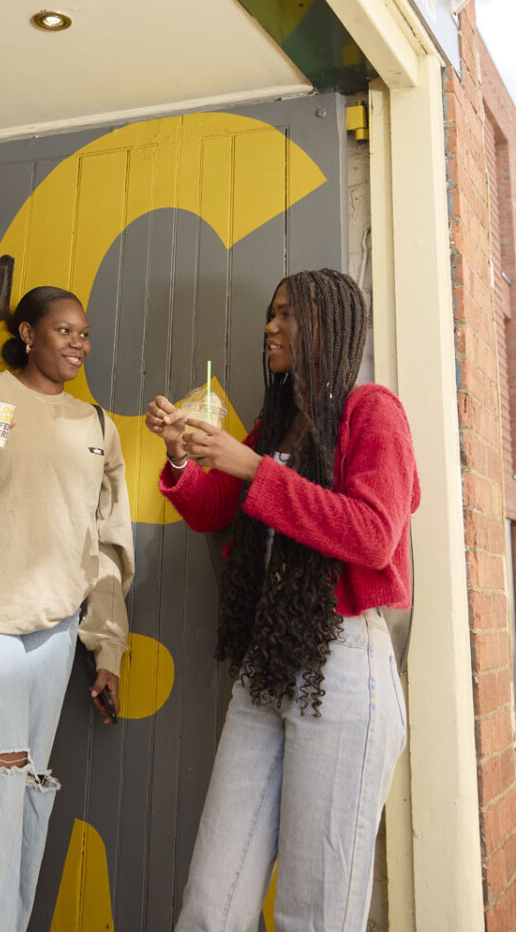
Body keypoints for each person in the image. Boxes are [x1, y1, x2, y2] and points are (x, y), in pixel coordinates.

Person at [146, 268, 419, 932]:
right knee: (211, 902)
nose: (270, 326)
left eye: (287, 314)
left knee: (314, 912)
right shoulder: (278, 425)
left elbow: (373, 535)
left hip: (344, 666)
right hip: (267, 665)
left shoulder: (372, 411)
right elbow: (217, 511)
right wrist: (181, 458)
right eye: (269, 314)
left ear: (328, 323)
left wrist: (251, 468)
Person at [0, 285, 134, 932]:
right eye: (64, 330)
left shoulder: (97, 426)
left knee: (30, 792)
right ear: (29, 333)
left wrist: (108, 647)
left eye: (84, 333)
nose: (77, 344)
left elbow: (107, 548)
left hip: (54, 631)